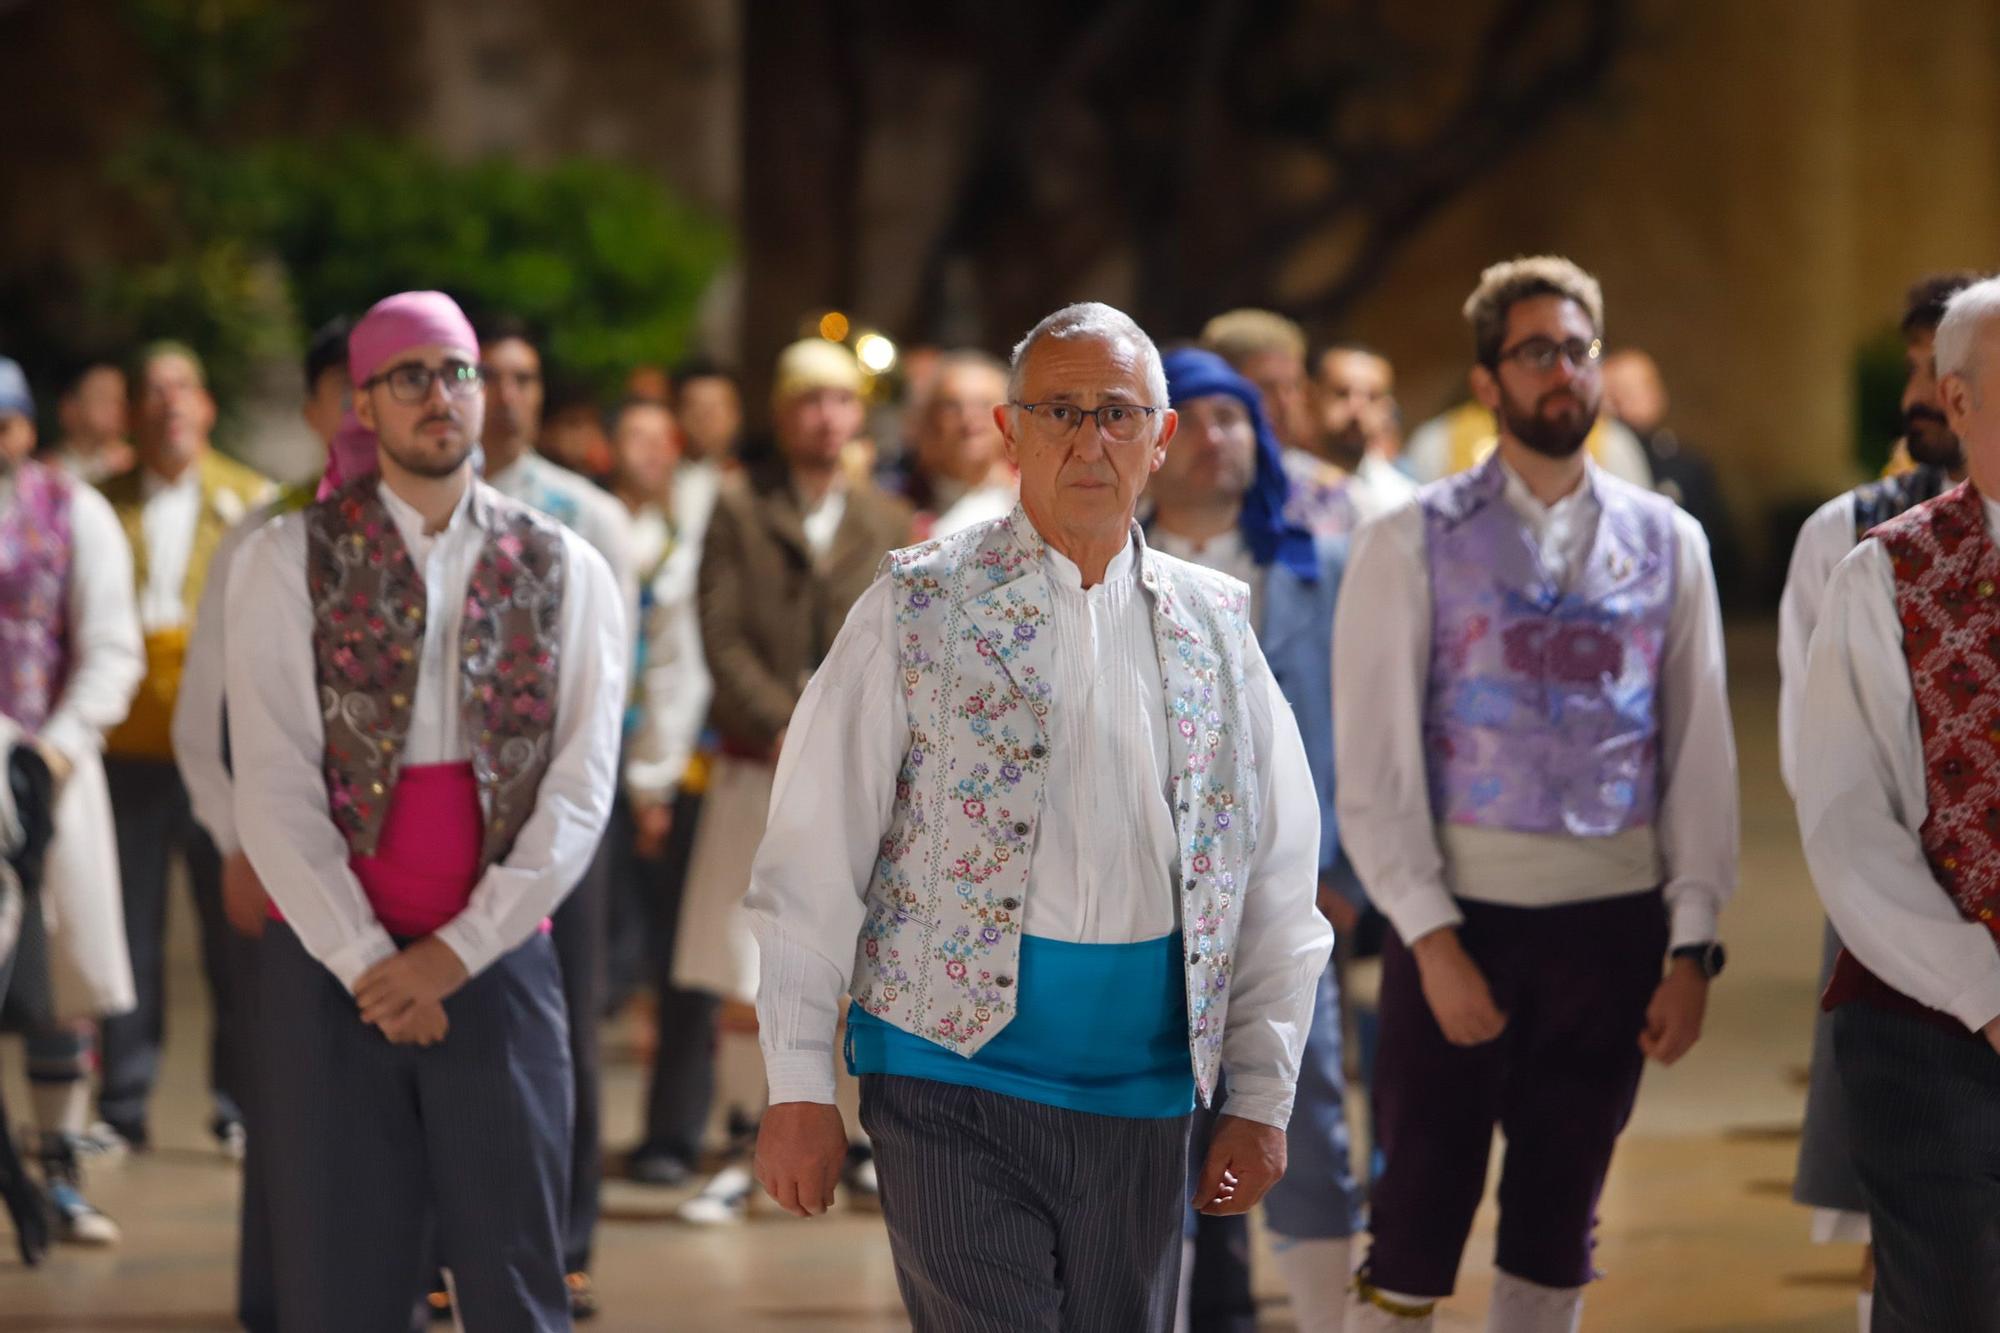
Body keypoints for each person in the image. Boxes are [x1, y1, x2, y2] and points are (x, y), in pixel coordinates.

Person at [749, 303, 1331, 1331]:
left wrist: (1262, 1091)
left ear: (1161, 439)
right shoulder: (914, 606)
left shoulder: (1214, 627)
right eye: (1058, 411)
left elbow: (1276, 875)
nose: (1087, 439)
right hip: (944, 1073)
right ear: (1009, 432)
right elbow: (810, 849)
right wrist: (797, 1081)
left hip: (1143, 1087)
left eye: (1115, 413)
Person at [1335, 257, 1737, 1331]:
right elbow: (1370, 764)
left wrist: (1691, 944)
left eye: (1576, 348)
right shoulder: (1409, 535)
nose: (1560, 371)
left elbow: (1697, 749)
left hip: (1610, 926)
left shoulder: (1666, 538)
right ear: (1485, 381)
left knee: (1560, 1221)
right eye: (1533, 352)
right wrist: (1428, 936)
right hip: (1463, 921)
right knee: (1415, 1216)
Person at [224, 290, 625, 1332]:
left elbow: (581, 786)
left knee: (516, 1268)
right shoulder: (284, 558)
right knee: (340, 1272)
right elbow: (270, 781)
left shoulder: (565, 563)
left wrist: (452, 955)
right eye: (411, 375)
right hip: (328, 965)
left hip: (496, 957)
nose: (440, 395)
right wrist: (367, 959)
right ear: (362, 402)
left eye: (459, 372)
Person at [1794, 275, 2000, 1333]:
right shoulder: (1881, 574)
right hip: (1932, 1029)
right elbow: (1844, 818)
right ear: (1957, 404)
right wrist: (1985, 989)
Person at [670, 336, 913, 1223]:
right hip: (756, 766)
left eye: (840, 402)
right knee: (745, 960)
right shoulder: (740, 504)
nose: (825, 417)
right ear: (782, 414)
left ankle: (849, 1137)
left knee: (854, 958)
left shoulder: (885, 517)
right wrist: (781, 722)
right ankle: (744, 1132)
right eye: (809, 401)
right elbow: (719, 630)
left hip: (861, 776)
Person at [1150, 346, 1364, 1333]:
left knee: (1305, 1110)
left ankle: (1329, 1315)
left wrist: (1343, 874)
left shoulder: (1311, 570)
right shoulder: (1115, 564)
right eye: (1189, 416)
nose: (1213, 435)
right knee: (1154, 1123)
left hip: (1289, 894)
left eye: (1232, 415)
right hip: (1144, 900)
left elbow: (1359, 723)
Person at [170, 312, 354, 1332]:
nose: (370, 413)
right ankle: (279, 1297)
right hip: (283, 859)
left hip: (409, 872)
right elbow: (206, 720)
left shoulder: (452, 526)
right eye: (351, 393)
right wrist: (235, 840)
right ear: (316, 409)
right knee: (287, 1093)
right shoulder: (263, 535)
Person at [477, 314, 637, 1313]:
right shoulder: (433, 505)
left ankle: (565, 1244)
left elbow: (611, 677)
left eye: (522, 377)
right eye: (484, 375)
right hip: (448, 810)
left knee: (563, 1023)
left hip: (565, 803)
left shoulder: (588, 515)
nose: (502, 394)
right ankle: (455, 1245)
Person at [95, 342, 275, 1154]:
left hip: (218, 747)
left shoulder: (253, 498)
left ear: (205, 406)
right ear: (135, 409)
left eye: (183, 388)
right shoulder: (99, 502)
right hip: (127, 748)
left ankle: (238, 1098)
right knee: (125, 929)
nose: (170, 402)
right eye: (154, 388)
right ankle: (123, 1100)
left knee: (231, 926)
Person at [0, 356, 143, 1246]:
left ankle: (59, 1166)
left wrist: (56, 745)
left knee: (59, 979)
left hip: (42, 771)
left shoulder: (73, 510)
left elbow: (110, 643)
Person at [1601, 348, 1742, 597]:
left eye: (1632, 391)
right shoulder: (1596, 462)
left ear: (1657, 394)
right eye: (1612, 393)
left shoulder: (1686, 467)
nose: (1620, 403)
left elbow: (1716, 550)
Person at [1199, 308, 1352, 539]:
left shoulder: (1327, 493)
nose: (1285, 404)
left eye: (1293, 386)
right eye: (1266, 387)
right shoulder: (1185, 483)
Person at [891, 349, 1018, 540]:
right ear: (927, 420)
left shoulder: (1037, 500)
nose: (969, 419)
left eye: (984, 405)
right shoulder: (895, 506)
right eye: (951, 406)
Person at [1313, 342, 1418, 531]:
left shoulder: (1403, 502)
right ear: (1312, 396)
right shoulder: (1280, 487)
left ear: (1387, 408)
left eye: (1373, 397)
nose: (1357, 409)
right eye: (1342, 393)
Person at [44, 362, 133, 484]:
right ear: (69, 408)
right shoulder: (43, 472)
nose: (117, 408)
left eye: (120, 399)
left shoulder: (134, 467)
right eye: (104, 398)